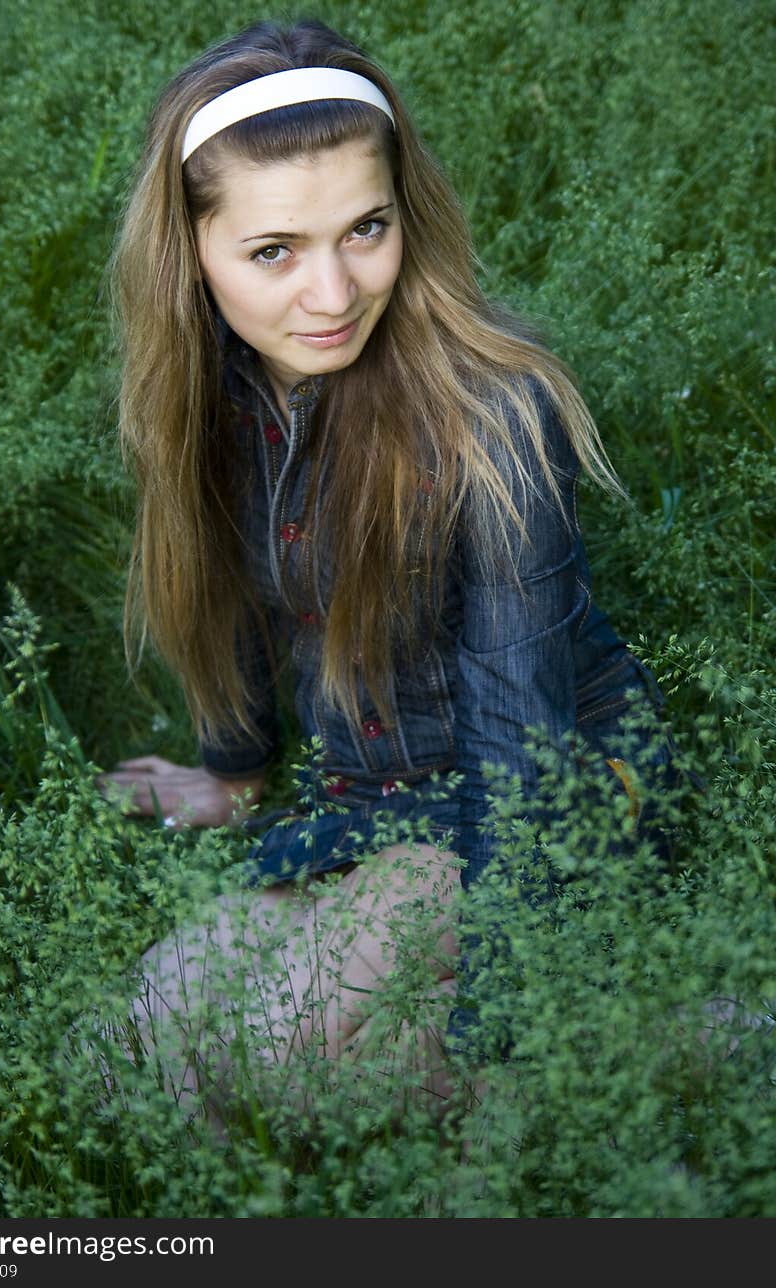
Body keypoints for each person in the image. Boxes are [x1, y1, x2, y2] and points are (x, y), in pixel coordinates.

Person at [96, 18, 670, 1110]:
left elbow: (522, 750)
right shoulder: (207, 406)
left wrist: (501, 1010)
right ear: (194, 254)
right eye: (273, 251)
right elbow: (234, 612)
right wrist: (234, 770)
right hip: (364, 803)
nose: (332, 294)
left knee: (291, 1060)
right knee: (140, 1054)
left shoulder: (495, 413)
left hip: (538, 796)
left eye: (366, 229)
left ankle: (688, 1038)